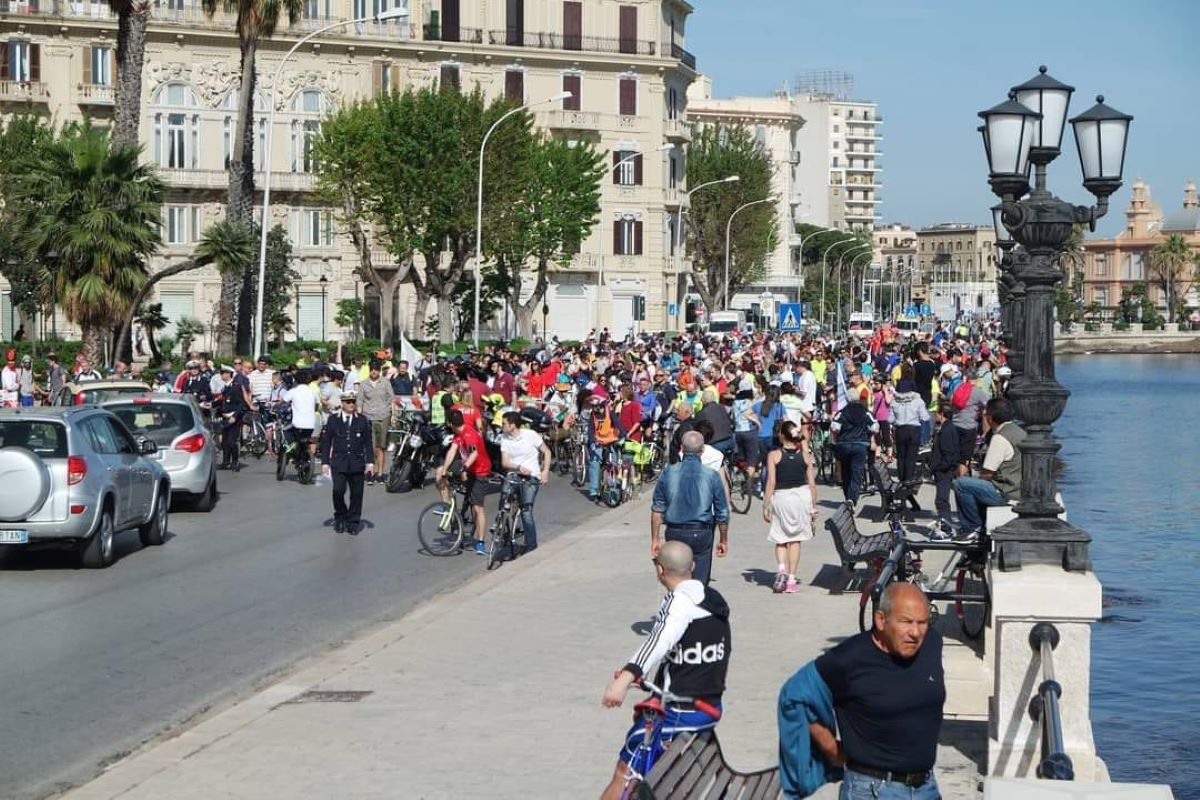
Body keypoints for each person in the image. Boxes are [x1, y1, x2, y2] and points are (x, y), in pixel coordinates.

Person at [599, 540, 731, 800]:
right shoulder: (711, 599)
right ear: (692, 566)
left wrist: (623, 680)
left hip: (682, 711)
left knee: (623, 772)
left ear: (660, 569)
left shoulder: (678, 604)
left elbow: (657, 641)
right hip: (709, 705)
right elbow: (691, 651)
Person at [810, 583, 945, 800]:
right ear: (881, 620)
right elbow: (798, 698)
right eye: (906, 622)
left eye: (922, 622)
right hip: (873, 790)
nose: (915, 632)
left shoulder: (932, 644)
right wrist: (829, 746)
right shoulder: (851, 657)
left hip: (925, 786)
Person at [650, 431, 729, 585]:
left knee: (676, 577)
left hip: (675, 531)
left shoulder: (668, 473)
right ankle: (697, 603)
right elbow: (722, 512)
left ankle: (679, 604)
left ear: (681, 448)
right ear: (702, 450)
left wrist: (655, 538)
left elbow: (657, 509)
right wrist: (723, 539)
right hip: (701, 532)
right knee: (699, 581)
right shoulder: (711, 476)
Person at [952, 397, 1025, 539]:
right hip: (1019, 488)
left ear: (990, 419)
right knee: (972, 485)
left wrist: (971, 477)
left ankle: (973, 527)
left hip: (1006, 491)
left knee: (961, 484)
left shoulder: (1000, 438)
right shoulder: (1019, 431)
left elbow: (987, 473)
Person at [762, 420, 818, 595]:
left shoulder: (774, 455)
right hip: (802, 496)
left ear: (781, 436)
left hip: (782, 497)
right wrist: (813, 507)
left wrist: (766, 504)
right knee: (795, 539)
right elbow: (812, 484)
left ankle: (781, 570)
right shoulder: (806, 456)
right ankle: (792, 579)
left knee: (781, 537)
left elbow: (771, 481)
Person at [436, 408, 493, 554]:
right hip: (468, 468)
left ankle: (480, 542)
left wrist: (465, 467)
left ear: (450, 423)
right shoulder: (459, 434)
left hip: (480, 471)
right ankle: (447, 504)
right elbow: (452, 451)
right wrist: (445, 469)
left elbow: (474, 453)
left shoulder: (469, 434)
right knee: (440, 473)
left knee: (478, 508)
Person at [319, 391, 375, 535]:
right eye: (348, 402)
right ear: (342, 403)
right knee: (338, 491)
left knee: (357, 494)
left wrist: (370, 462)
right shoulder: (333, 420)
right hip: (339, 462)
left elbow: (368, 443)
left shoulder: (362, 420)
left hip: (357, 462)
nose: (351, 404)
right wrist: (325, 462)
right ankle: (340, 516)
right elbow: (326, 442)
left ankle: (353, 521)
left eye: (353, 401)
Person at [498, 411, 551, 553]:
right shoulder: (504, 438)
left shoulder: (530, 435)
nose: (501, 426)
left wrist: (545, 471)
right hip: (514, 473)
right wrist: (518, 467)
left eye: (504, 424)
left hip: (531, 476)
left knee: (526, 510)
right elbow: (505, 462)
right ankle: (501, 524)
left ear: (513, 425)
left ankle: (531, 544)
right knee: (504, 495)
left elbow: (546, 451)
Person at [830, 391, 878, 507]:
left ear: (847, 399)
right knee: (857, 472)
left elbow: (834, 427)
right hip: (860, 445)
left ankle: (847, 496)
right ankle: (852, 499)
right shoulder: (866, 412)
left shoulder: (842, 412)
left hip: (844, 444)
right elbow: (875, 427)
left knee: (846, 472)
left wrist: (838, 437)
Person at [888, 370, 929, 485]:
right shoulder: (917, 400)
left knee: (901, 456)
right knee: (911, 457)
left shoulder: (895, 401)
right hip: (914, 430)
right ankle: (908, 479)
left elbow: (890, 419)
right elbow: (925, 417)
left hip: (900, 430)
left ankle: (901, 479)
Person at [358, 360, 395, 485]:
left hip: (383, 416)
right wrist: (358, 418)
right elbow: (359, 402)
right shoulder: (363, 384)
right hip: (368, 417)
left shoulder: (385, 383)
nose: (374, 371)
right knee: (370, 446)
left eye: (376, 369)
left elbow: (392, 399)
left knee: (381, 447)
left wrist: (393, 415)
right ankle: (370, 472)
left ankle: (380, 473)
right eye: (372, 369)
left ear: (379, 370)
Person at [928, 403, 961, 541]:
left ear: (942, 414)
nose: (935, 415)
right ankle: (944, 526)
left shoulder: (947, 430)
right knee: (942, 500)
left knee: (942, 500)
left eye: (937, 413)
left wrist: (939, 467)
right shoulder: (947, 428)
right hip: (943, 470)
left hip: (944, 471)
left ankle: (946, 529)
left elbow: (948, 454)